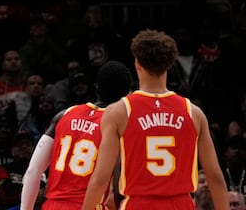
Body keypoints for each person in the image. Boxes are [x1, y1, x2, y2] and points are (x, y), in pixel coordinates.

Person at [80, 29, 229, 210]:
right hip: (181, 204)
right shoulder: (194, 113)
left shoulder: (118, 112)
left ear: (137, 64)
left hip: (139, 204)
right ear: (170, 64)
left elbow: (100, 179)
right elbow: (215, 177)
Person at [20, 60, 132, 210]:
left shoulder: (65, 114)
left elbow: (33, 171)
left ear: (96, 88)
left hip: (52, 206)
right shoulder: (119, 127)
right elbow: (119, 191)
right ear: (127, 96)